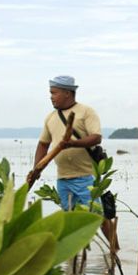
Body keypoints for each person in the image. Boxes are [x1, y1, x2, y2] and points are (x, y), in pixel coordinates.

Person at [28, 75, 119, 248]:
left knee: (98, 217)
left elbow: (96, 138)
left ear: (67, 93)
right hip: (63, 178)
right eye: (50, 93)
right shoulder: (50, 118)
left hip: (86, 176)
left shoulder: (86, 112)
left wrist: (72, 143)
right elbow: (43, 144)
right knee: (69, 219)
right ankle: (75, 257)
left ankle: (115, 250)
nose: (51, 97)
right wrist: (36, 169)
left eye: (54, 93)